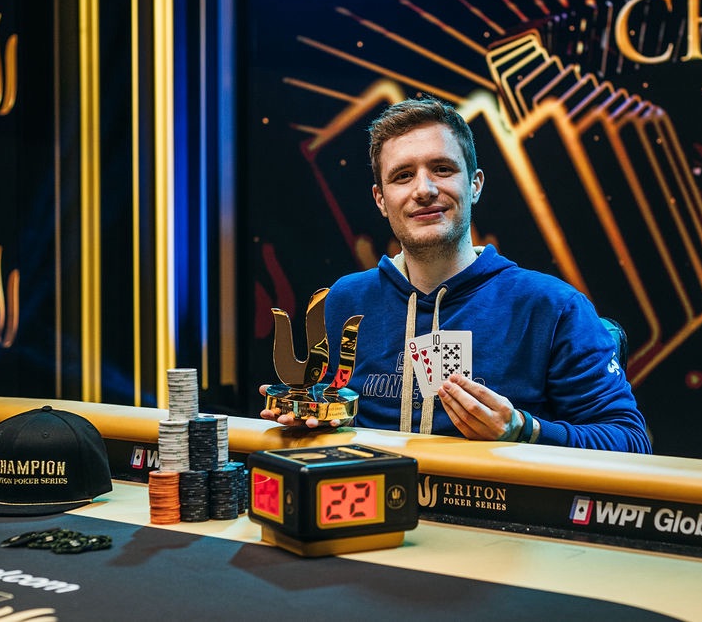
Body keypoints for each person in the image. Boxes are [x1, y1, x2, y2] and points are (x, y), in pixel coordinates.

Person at [261, 96, 651, 452]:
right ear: (381, 199)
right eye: (402, 176)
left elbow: (631, 442)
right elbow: (327, 413)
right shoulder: (345, 300)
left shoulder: (552, 307)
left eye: (442, 169)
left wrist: (523, 429)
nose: (424, 189)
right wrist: (310, 420)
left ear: (475, 184)